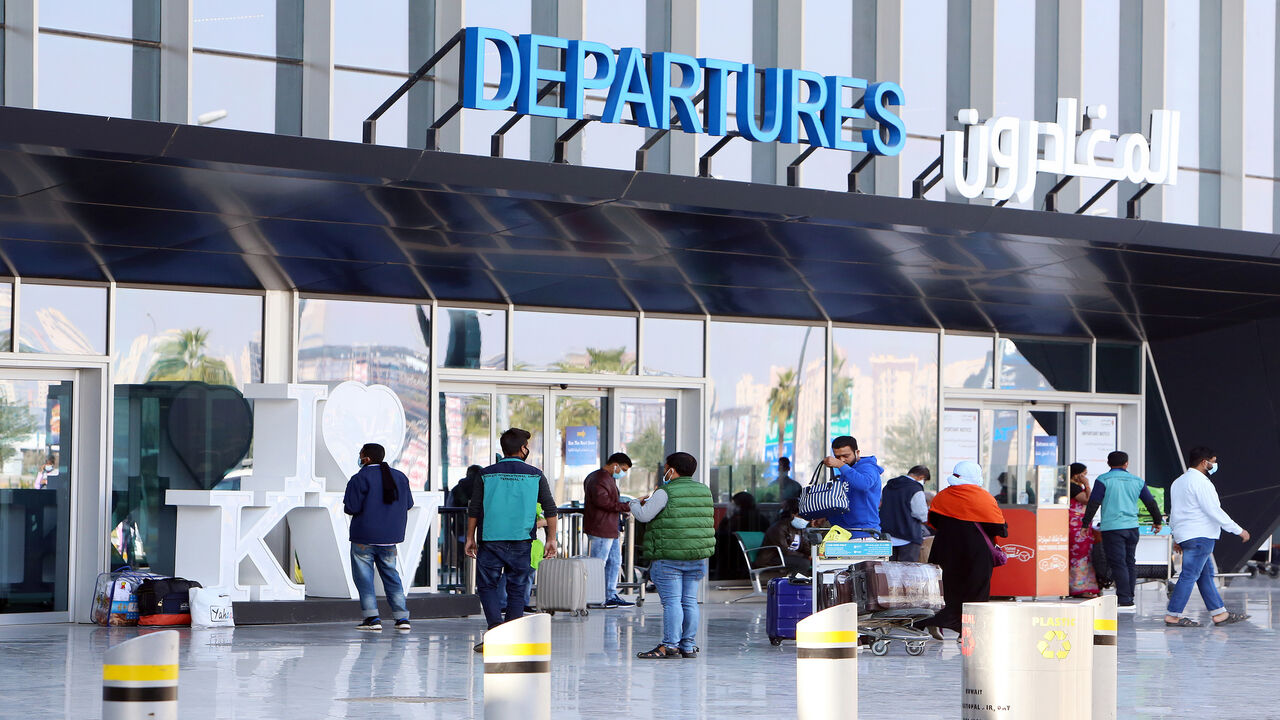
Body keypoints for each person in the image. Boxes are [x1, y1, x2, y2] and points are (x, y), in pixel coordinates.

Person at [465, 428, 559, 652]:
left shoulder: (486, 474)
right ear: (523, 449)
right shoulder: (535, 474)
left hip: (490, 540)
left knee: (487, 586)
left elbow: (475, 509)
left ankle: (495, 630)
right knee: (517, 587)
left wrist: (470, 537)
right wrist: (551, 539)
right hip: (522, 541)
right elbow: (550, 508)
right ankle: (512, 637)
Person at [631, 452, 714, 659]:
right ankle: (687, 645)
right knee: (689, 602)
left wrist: (634, 503)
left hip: (669, 557)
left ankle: (669, 645)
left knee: (672, 603)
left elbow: (643, 515)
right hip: (696, 556)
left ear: (672, 470)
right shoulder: (704, 490)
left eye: (666, 468)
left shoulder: (665, 492)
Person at [918, 461, 1007, 640]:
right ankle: (968, 631)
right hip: (975, 551)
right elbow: (999, 528)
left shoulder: (943, 496)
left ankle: (935, 620)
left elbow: (933, 521)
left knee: (945, 587)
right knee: (975, 589)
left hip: (945, 548)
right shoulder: (983, 497)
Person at [1164, 446, 1250, 628]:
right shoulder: (1202, 482)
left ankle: (1220, 614)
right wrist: (1237, 530)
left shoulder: (1178, 482)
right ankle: (1173, 616)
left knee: (1205, 575)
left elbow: (1175, 512)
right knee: (1189, 576)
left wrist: (1177, 536)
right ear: (1205, 462)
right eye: (1214, 460)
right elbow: (1213, 510)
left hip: (1187, 535)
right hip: (1200, 536)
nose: (1215, 464)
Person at [343, 443, 414, 632]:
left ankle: (372, 619)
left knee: (365, 579)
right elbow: (408, 504)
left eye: (360, 455)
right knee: (392, 577)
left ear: (366, 458)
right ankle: (402, 618)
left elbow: (351, 508)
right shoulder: (399, 477)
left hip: (363, 537)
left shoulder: (359, 478)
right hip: (390, 538)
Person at [1082, 451, 1162, 609]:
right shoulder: (1137, 481)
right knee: (1130, 561)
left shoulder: (1103, 479)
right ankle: (1129, 596)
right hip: (1132, 527)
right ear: (1126, 464)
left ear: (1108, 463)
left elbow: (1094, 503)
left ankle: (1125, 600)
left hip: (1112, 528)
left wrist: (1085, 524)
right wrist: (1157, 521)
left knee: (1118, 562)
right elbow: (1150, 502)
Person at [583, 452, 634, 609]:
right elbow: (604, 503)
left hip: (609, 528)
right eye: (623, 469)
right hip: (601, 528)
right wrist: (628, 506)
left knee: (614, 562)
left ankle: (609, 594)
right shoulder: (599, 479)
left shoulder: (603, 478)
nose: (623, 473)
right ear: (615, 465)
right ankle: (594, 597)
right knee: (599, 563)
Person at [817, 436, 884, 538]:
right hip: (842, 533)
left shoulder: (868, 468)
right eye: (837, 457)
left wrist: (840, 465)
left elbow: (864, 484)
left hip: (864, 534)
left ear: (857, 452)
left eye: (846, 456)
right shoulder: (847, 471)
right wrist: (827, 517)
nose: (842, 460)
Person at [713, 491, 769, 579]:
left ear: (740, 505)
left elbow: (724, 535)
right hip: (756, 554)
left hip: (737, 558)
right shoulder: (760, 517)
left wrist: (727, 518)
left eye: (733, 504)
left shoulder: (739, 519)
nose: (730, 506)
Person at [880, 465, 930, 562]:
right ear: (921, 477)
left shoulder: (888, 486)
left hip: (887, 535)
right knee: (908, 572)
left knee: (888, 572)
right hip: (909, 535)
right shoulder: (915, 489)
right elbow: (921, 514)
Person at [1066, 463, 1099, 598]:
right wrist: (1088, 485)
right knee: (1079, 557)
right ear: (1076, 475)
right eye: (1084, 474)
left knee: (1083, 556)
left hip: (1081, 526)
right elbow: (1088, 499)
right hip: (1076, 528)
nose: (1085, 477)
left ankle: (1082, 586)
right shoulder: (1073, 487)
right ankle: (1079, 587)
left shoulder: (1074, 487)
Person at [760, 498, 812, 574]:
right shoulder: (779, 528)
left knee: (814, 562)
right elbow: (784, 550)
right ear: (793, 515)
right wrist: (805, 556)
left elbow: (805, 546)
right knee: (804, 563)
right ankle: (793, 583)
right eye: (802, 517)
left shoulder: (800, 528)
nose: (805, 520)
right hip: (772, 558)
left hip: (789, 557)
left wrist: (812, 554)